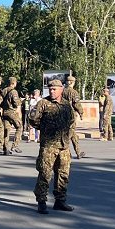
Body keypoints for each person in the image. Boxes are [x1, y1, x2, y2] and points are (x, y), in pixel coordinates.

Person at [28, 78, 75, 214]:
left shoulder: (66, 105)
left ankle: (60, 201)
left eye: (54, 89)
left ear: (61, 90)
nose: (52, 91)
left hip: (64, 145)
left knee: (63, 174)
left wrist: (68, 135)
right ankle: (41, 201)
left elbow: (72, 121)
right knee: (45, 173)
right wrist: (44, 129)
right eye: (50, 89)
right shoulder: (43, 103)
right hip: (49, 145)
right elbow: (32, 119)